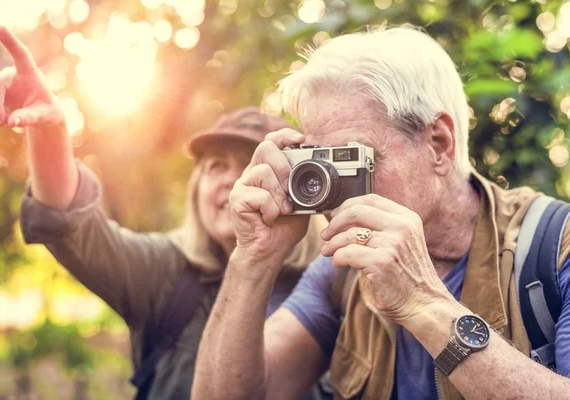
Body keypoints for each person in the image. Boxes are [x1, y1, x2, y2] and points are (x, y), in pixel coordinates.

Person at [192, 25, 570, 400]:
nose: (333, 195)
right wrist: (253, 256)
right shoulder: (340, 272)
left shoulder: (555, 247)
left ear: (439, 143)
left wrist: (424, 304)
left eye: (354, 160)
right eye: (321, 163)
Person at [0, 26, 326, 399]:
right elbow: (72, 227)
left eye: (249, 166)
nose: (230, 182)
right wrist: (51, 131)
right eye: (215, 167)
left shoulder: (324, 287)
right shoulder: (163, 272)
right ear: (197, 188)